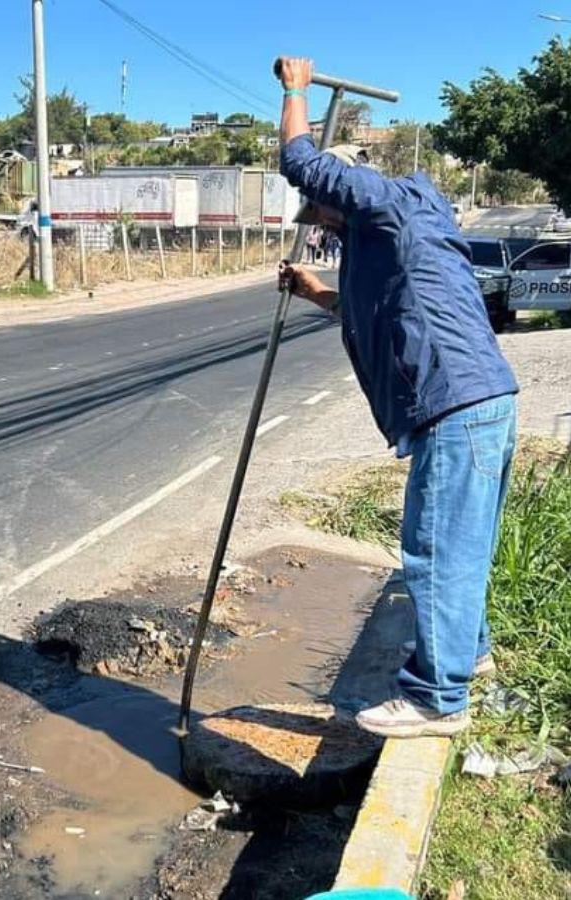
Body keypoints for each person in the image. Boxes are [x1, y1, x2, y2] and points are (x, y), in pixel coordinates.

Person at [275, 57, 518, 739]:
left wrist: (295, 88)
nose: (315, 220)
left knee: (433, 546)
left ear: (341, 194)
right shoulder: (403, 226)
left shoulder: (378, 201)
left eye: (318, 209)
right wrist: (313, 290)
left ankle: (438, 697)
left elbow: (299, 158)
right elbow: (384, 313)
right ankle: (469, 654)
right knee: (460, 540)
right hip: (481, 400)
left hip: (455, 403)